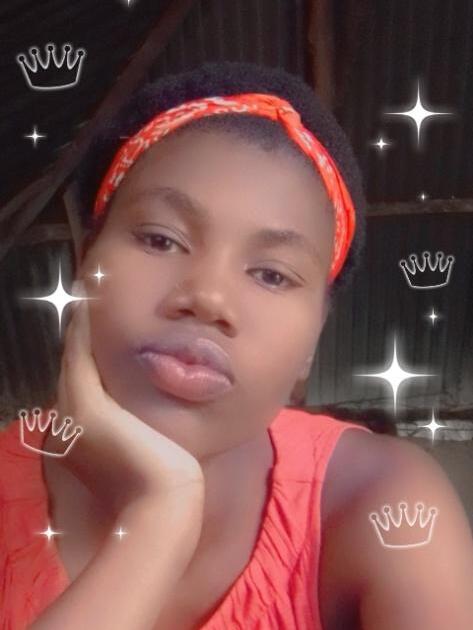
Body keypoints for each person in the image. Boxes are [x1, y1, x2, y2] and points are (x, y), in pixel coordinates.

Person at [1, 61, 472, 630]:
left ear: (313, 341)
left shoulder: (382, 501)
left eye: (272, 275)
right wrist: (155, 522)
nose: (208, 298)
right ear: (85, 265)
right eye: (161, 239)